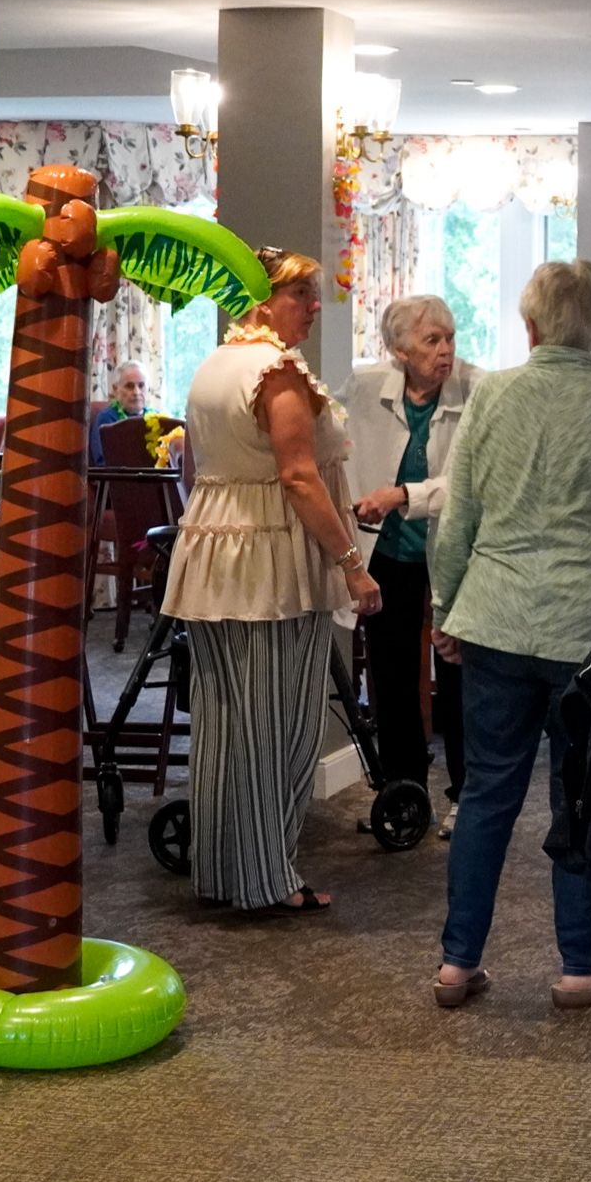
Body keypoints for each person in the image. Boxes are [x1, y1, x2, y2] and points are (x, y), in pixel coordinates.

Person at [426, 261, 591, 1010]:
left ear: (531, 326)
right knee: (580, 797)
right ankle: (580, 967)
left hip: (494, 614)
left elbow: (460, 514)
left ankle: (458, 962)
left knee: (487, 791)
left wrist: (445, 606)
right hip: (587, 628)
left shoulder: (494, 394)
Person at [160, 246, 380, 914]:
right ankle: (267, 879)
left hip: (217, 551)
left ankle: (228, 871)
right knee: (278, 725)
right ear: (261, 300)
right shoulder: (276, 371)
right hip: (270, 560)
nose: (315, 307)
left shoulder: (212, 366)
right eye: (300, 295)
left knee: (228, 722)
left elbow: (197, 466)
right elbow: (298, 477)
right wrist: (352, 564)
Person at [344, 295, 483, 824]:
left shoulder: (479, 389)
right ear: (398, 350)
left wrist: (400, 493)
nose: (446, 350)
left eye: (449, 338)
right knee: (392, 669)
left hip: (455, 548)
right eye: (432, 341)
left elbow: (470, 485)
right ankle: (404, 792)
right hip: (389, 551)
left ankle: (466, 798)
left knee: (457, 671)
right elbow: (337, 447)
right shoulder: (362, 388)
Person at [89, 362, 149, 465]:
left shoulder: (158, 418)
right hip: (120, 479)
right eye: (129, 386)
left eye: (141, 385)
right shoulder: (106, 419)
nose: (136, 392)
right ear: (115, 389)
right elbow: (102, 463)